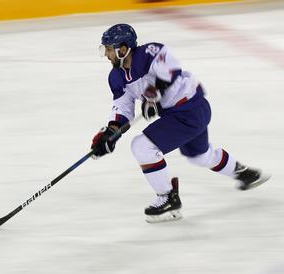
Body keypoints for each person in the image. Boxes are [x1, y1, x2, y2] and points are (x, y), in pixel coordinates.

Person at [90, 23, 270, 223]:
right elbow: (123, 108)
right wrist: (111, 132)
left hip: (190, 109)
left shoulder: (150, 52)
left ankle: (168, 199)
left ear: (122, 49)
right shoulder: (116, 77)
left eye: (108, 49)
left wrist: (153, 93)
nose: (106, 54)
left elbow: (171, 68)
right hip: (179, 115)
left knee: (142, 146)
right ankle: (243, 172)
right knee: (199, 156)